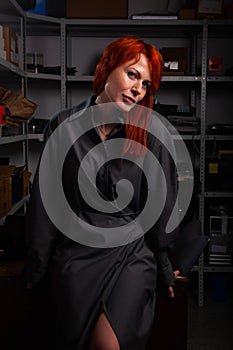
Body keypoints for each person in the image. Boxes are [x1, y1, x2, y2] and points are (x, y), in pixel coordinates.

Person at [24, 36, 180, 350]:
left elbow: (161, 208)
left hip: (130, 254)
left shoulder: (150, 132)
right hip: (77, 255)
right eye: (132, 75)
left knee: (107, 345)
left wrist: (164, 265)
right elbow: (46, 203)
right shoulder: (64, 126)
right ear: (106, 69)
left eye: (146, 84)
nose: (138, 88)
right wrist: (37, 268)